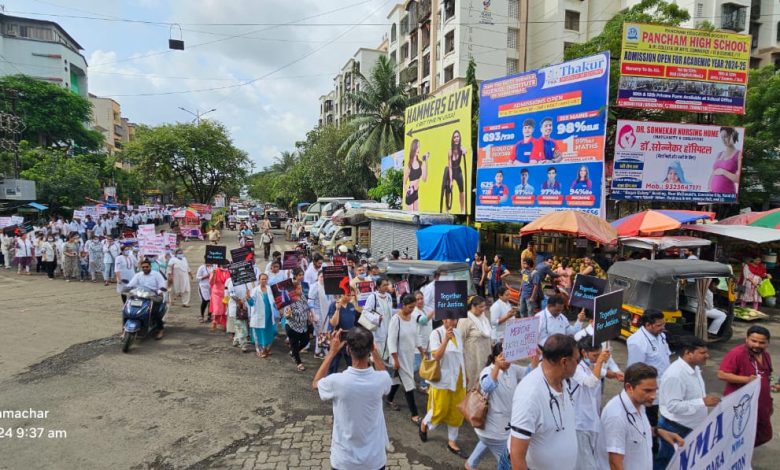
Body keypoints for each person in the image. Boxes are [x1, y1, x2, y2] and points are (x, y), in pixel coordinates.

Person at [312, 326, 392, 470]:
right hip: (374, 461)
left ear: (348, 350)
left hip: (344, 461)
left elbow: (315, 383)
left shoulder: (336, 381)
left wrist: (332, 352)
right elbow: (384, 374)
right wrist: (374, 350)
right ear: (372, 347)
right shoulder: (381, 379)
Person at [498, 334, 580, 470]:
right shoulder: (530, 393)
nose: (579, 364)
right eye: (577, 360)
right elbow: (517, 456)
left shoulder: (564, 382)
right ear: (564, 362)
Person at [465, 344, 538, 470]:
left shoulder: (512, 369)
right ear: (495, 358)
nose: (508, 361)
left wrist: (535, 358)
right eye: (504, 358)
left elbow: (529, 373)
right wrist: (497, 367)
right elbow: (487, 386)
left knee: (486, 442)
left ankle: (470, 464)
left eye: (510, 357)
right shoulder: (488, 371)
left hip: (503, 427)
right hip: (493, 430)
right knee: (509, 462)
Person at [601, 363, 685, 470]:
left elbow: (637, 431)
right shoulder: (616, 416)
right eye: (648, 391)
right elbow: (615, 464)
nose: (654, 396)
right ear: (629, 387)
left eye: (655, 390)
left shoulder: (639, 404)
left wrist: (660, 432)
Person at [655, 336, 720, 470]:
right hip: (675, 428)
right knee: (666, 463)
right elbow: (672, 406)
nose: (707, 356)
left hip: (690, 427)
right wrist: (702, 402)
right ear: (688, 353)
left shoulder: (694, 368)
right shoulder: (675, 375)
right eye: (702, 353)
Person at [419, 310, 467, 457]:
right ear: (443, 319)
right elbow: (436, 356)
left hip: (459, 379)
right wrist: (446, 339)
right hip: (443, 380)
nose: (452, 322)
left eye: (455, 319)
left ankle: (452, 441)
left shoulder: (458, 333)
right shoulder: (436, 334)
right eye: (449, 319)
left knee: (456, 412)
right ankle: (424, 424)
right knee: (439, 409)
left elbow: (460, 356)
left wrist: (466, 375)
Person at [717, 325, 775, 446]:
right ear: (747, 339)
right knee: (736, 439)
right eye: (754, 341)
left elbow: (765, 377)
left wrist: (769, 401)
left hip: (761, 405)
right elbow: (722, 374)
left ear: (767, 343)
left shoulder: (766, 356)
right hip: (741, 407)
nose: (757, 345)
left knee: (764, 435)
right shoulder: (737, 354)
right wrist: (746, 379)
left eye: (761, 342)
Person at [572, 336, 618, 470]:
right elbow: (591, 382)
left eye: (599, 354)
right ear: (584, 353)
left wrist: (617, 375)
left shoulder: (590, 365)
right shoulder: (576, 369)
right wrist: (600, 362)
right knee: (586, 463)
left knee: (593, 457)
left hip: (592, 420)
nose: (597, 357)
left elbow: (604, 373)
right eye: (594, 355)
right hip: (580, 423)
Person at [386, 294, 423, 423]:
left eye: (413, 307)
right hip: (398, 357)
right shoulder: (395, 320)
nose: (412, 309)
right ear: (403, 305)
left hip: (409, 356)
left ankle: (389, 399)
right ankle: (414, 414)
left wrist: (422, 351)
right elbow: (391, 341)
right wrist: (395, 360)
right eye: (410, 307)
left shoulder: (413, 319)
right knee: (409, 385)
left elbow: (416, 336)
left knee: (396, 381)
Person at [126, 259, 168, 339]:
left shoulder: (156, 274)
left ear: (150, 267)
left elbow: (162, 285)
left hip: (153, 296)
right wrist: (127, 288)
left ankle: (160, 329)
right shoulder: (138, 275)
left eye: (147, 267)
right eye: (143, 267)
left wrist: (159, 291)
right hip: (140, 295)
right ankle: (125, 329)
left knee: (155, 312)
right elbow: (131, 284)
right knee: (128, 309)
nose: (145, 268)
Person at [362, 277, 394, 365]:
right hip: (378, 330)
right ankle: (378, 369)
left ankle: (385, 370)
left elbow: (389, 311)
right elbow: (365, 311)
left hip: (388, 328)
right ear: (378, 287)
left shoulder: (389, 296)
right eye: (384, 285)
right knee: (378, 354)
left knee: (387, 352)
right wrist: (376, 318)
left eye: (387, 285)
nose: (386, 287)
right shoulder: (373, 297)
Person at [282, 282, 312, 371]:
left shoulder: (302, 296)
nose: (300, 290)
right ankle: (299, 363)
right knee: (294, 345)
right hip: (292, 327)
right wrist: (288, 314)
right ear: (293, 290)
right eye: (298, 288)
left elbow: (306, 308)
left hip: (303, 326)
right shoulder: (289, 300)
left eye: (300, 288)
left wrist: (309, 317)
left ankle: (293, 353)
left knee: (305, 341)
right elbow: (286, 315)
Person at [249, 273, 278, 358]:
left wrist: (279, 308)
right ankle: (259, 350)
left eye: (265, 279)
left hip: (269, 315)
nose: (264, 281)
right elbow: (251, 303)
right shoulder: (255, 290)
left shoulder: (269, 289)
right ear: (259, 280)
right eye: (262, 279)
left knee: (270, 332)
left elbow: (274, 301)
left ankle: (266, 349)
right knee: (259, 333)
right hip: (259, 315)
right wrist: (248, 297)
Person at [327, 294, 358, 374]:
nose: (350, 297)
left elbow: (354, 322)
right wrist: (337, 309)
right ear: (342, 294)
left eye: (351, 295)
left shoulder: (351, 305)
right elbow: (333, 323)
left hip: (350, 337)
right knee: (334, 362)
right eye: (348, 295)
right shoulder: (333, 305)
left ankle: (353, 380)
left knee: (351, 361)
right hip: (338, 337)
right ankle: (330, 381)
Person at [413, 290, 434, 393]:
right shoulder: (414, 311)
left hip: (429, 342)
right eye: (417, 299)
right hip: (418, 344)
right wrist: (434, 311)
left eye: (421, 298)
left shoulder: (427, 309)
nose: (420, 301)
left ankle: (423, 385)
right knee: (416, 366)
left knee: (425, 365)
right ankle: (402, 378)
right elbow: (423, 320)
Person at [709, 126, 741, 194]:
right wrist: (709, 187)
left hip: (727, 194)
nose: (723, 140)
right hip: (713, 194)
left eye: (725, 136)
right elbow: (713, 172)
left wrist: (723, 172)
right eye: (722, 137)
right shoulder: (719, 154)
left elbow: (739, 179)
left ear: (732, 135)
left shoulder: (738, 154)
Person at [308, 269, 332, 358]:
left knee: (325, 332)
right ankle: (320, 352)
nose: (323, 278)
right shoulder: (315, 286)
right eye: (321, 276)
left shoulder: (328, 286)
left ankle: (321, 350)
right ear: (318, 277)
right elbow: (310, 302)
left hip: (327, 313)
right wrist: (313, 315)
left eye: (325, 277)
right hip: (317, 313)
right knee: (320, 333)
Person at [443, 129, 468, 213]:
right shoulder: (450, 151)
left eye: (457, 136)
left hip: (458, 170)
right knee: (448, 189)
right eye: (454, 137)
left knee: (461, 190)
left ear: (459, 138)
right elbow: (449, 166)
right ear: (452, 139)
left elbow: (465, 150)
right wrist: (450, 180)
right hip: (451, 171)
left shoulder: (461, 148)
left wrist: (465, 151)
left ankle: (462, 210)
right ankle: (447, 210)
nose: (456, 138)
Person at [404, 138, 429, 210]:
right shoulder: (409, 166)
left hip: (416, 193)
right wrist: (408, 191)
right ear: (414, 148)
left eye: (419, 146)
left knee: (416, 217)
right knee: (410, 217)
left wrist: (425, 161)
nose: (419, 149)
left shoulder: (421, 163)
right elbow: (404, 183)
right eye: (417, 147)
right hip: (410, 193)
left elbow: (424, 179)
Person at [209, 262, 231, 331]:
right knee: (217, 310)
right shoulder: (215, 271)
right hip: (217, 294)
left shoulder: (229, 271)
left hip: (226, 293)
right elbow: (211, 282)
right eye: (223, 264)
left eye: (226, 264)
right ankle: (214, 324)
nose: (225, 265)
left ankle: (225, 325)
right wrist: (214, 274)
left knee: (225, 310)